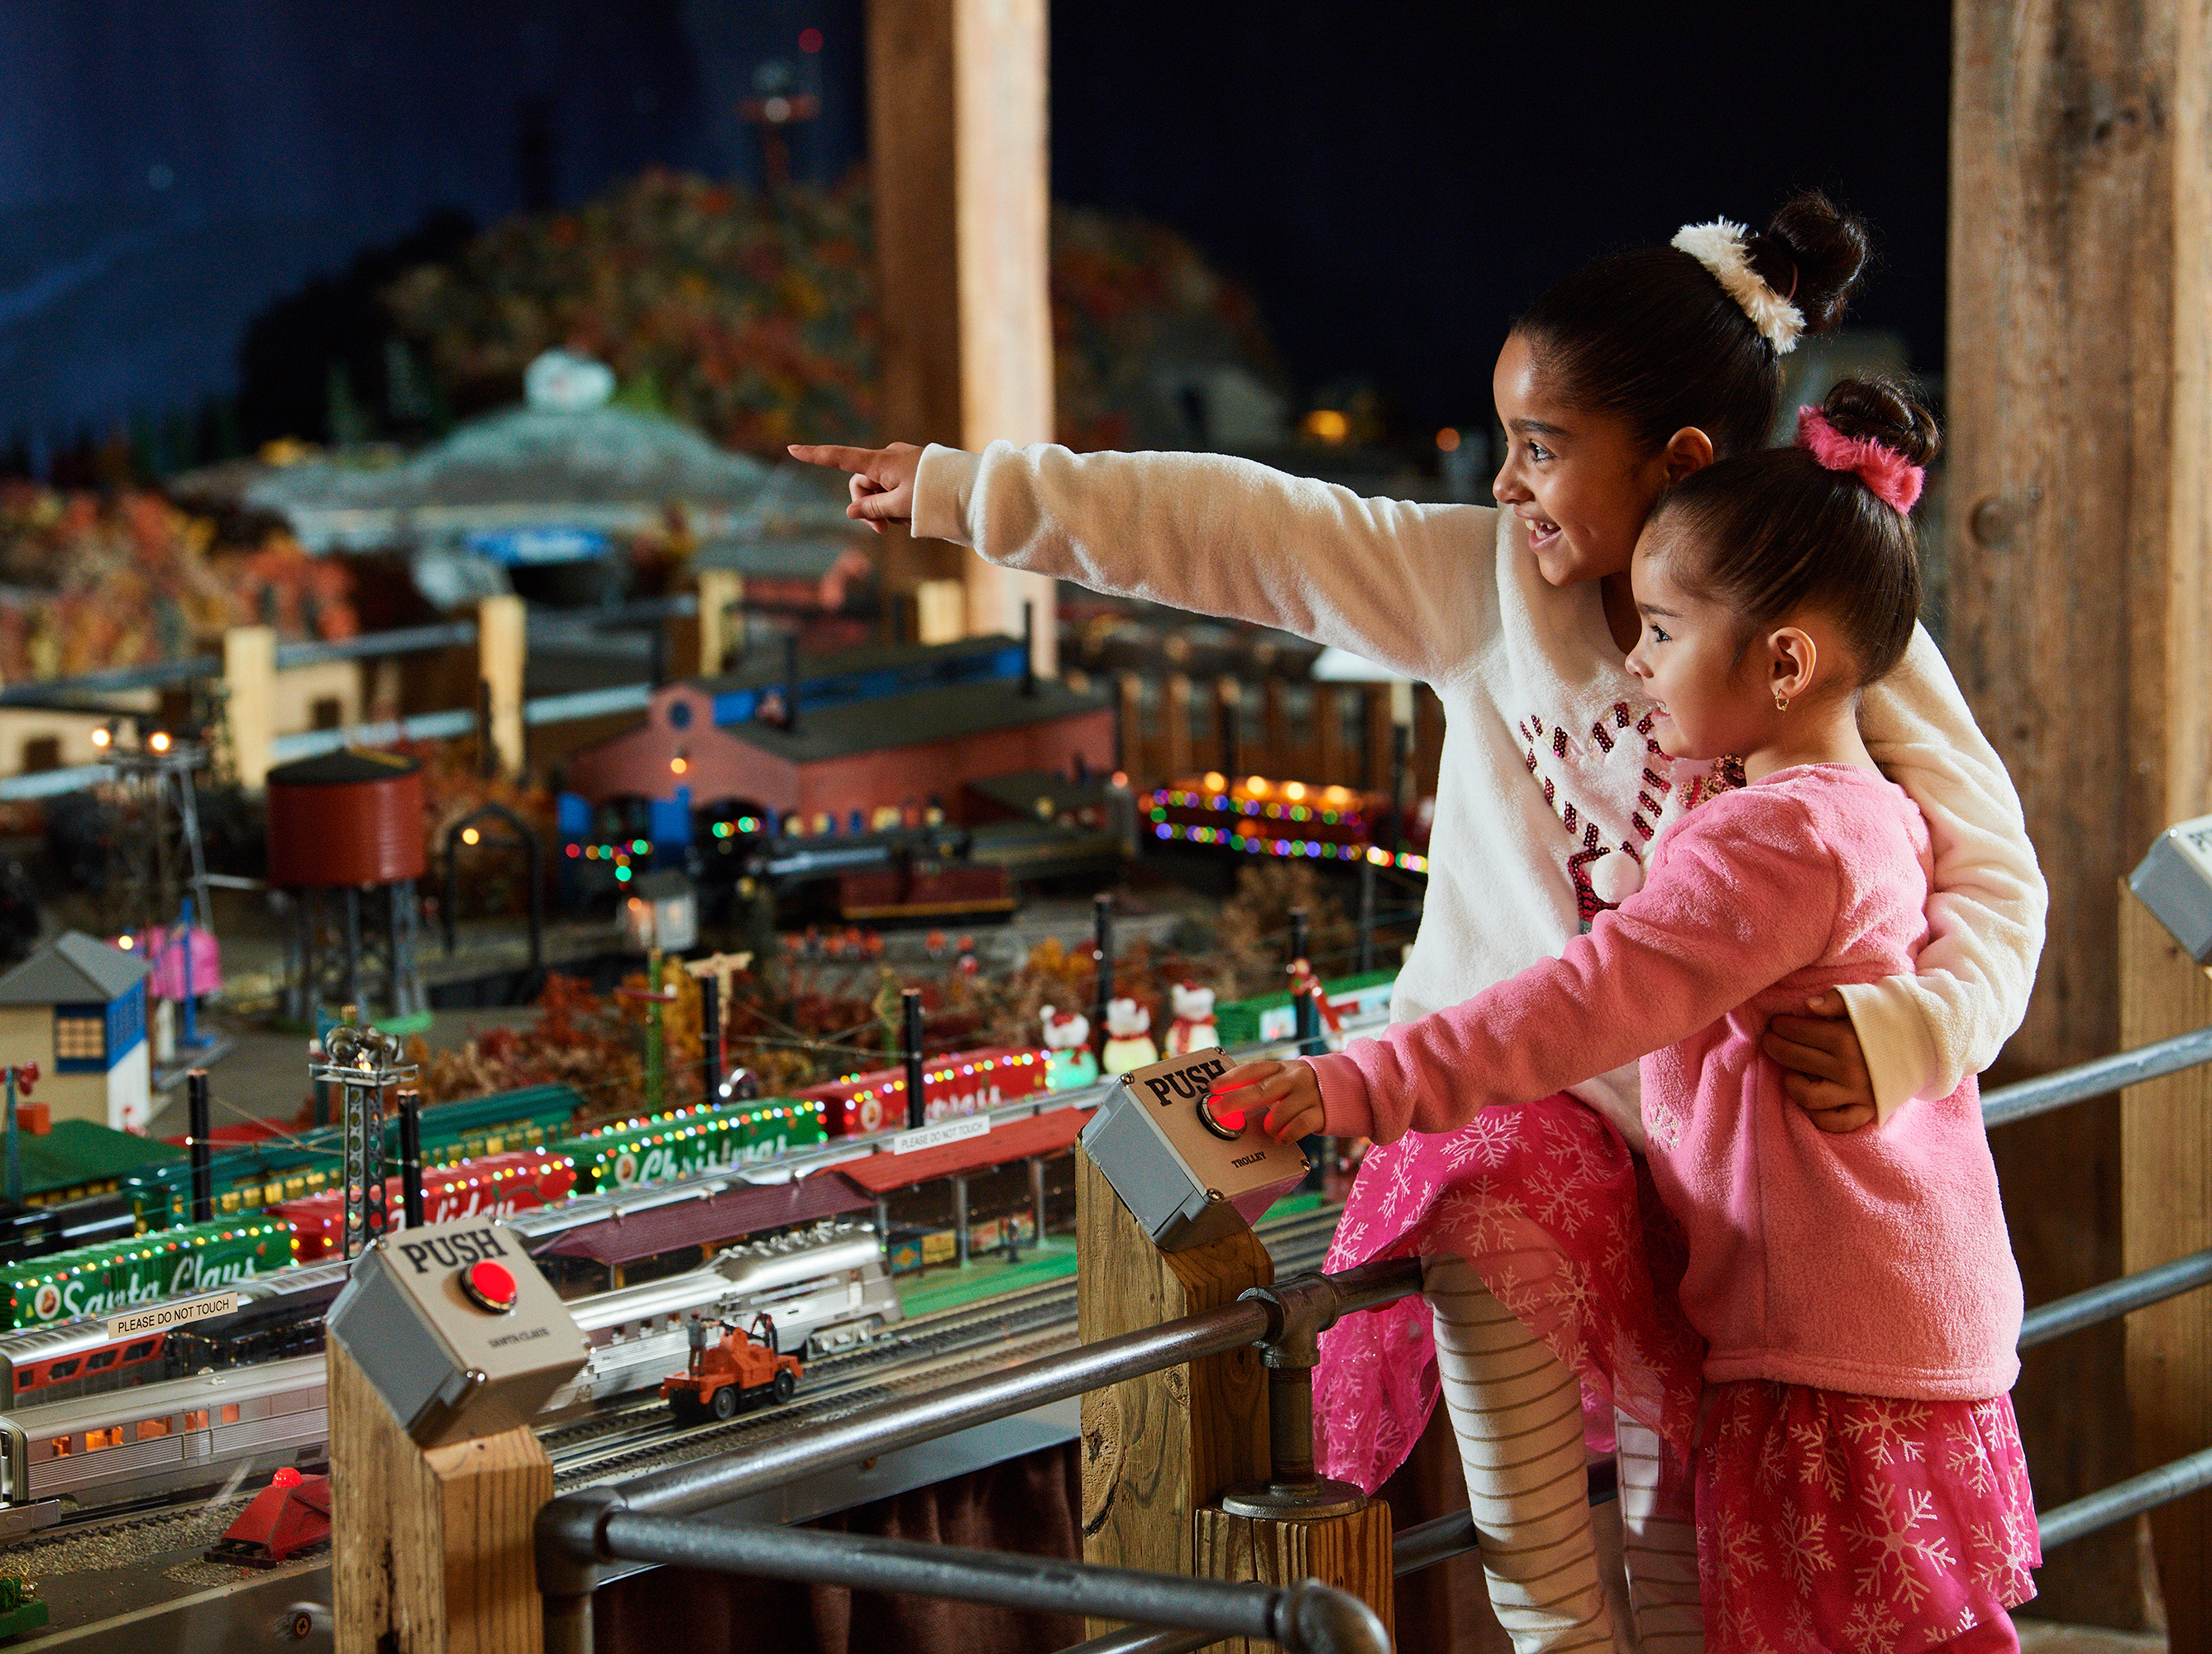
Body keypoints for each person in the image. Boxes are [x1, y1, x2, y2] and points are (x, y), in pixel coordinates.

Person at [791, 197, 2045, 1652]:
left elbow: (1991, 869)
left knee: (1698, 1533)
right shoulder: (1479, 583)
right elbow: (1246, 529)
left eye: (1543, 449)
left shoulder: (1805, 592)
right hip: (1513, 1097)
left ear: (1678, 462)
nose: (1507, 484)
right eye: (1505, 442)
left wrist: (1918, 1030)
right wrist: (965, 490)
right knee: (1523, 1397)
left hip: (1741, 1174)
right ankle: (1554, 1632)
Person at [1244, 376, 2038, 1652]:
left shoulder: (1773, 841)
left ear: (1783, 663)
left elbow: (1584, 1003)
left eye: (1664, 631)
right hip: (1890, 1307)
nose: (1634, 660)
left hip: (1827, 1333)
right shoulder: (1872, 810)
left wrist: (1361, 1085)